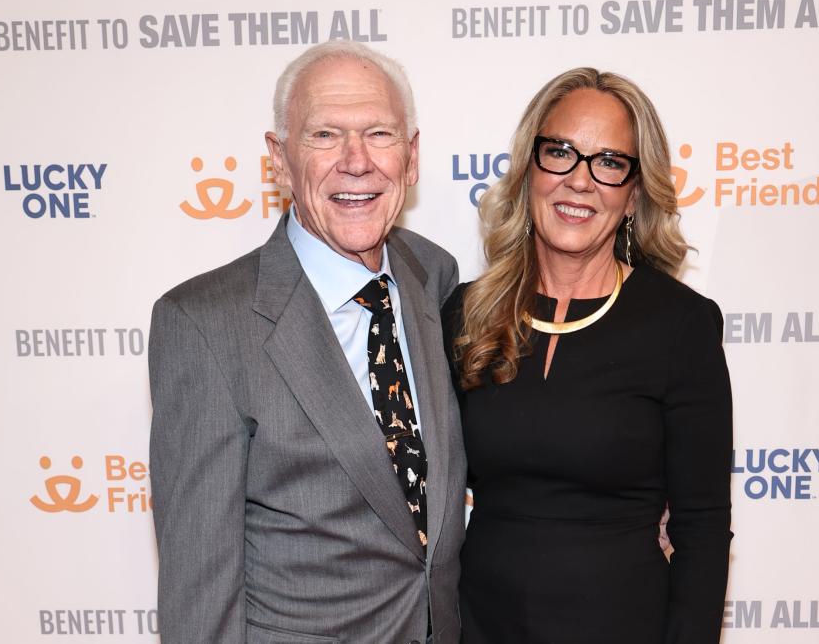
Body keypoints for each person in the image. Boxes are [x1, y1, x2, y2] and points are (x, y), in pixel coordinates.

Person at [149, 41, 465, 644]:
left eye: (379, 133)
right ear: (279, 159)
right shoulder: (205, 325)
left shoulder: (433, 275)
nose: (356, 161)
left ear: (412, 156)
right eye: (324, 135)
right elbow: (199, 594)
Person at [443, 67, 732, 643]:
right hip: (480, 627)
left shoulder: (681, 326)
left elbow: (701, 528)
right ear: (529, 170)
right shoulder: (467, 313)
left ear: (634, 194)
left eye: (609, 162)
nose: (580, 181)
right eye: (560, 152)